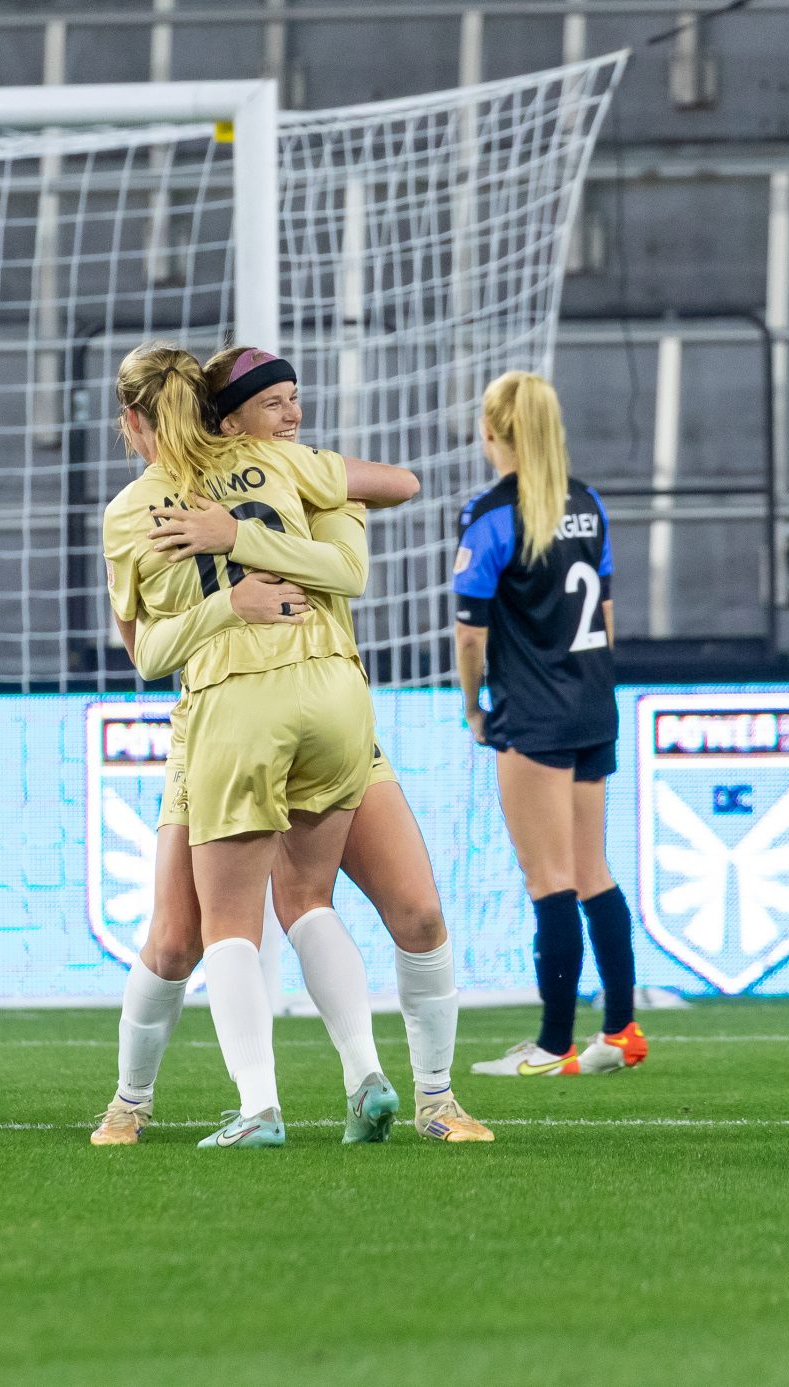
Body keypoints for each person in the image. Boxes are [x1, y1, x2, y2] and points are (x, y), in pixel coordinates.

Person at [90, 345, 490, 1145]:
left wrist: (240, 547)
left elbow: (146, 652)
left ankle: (266, 1106)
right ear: (224, 415)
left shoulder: (156, 502)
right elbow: (398, 490)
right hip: (283, 704)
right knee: (200, 927)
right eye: (276, 401)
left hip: (250, 708)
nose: (293, 413)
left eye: (294, 399)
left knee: (227, 925)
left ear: (131, 419)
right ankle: (144, 1100)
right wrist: (286, 529)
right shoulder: (277, 467)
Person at [454, 370, 645, 1079]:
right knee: (594, 871)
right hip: (593, 703)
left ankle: (555, 1044)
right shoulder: (588, 503)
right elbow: (607, 615)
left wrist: (474, 707)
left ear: (490, 432)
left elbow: (469, 636)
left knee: (550, 878)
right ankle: (621, 1030)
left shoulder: (490, 514)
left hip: (533, 713)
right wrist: (588, 688)